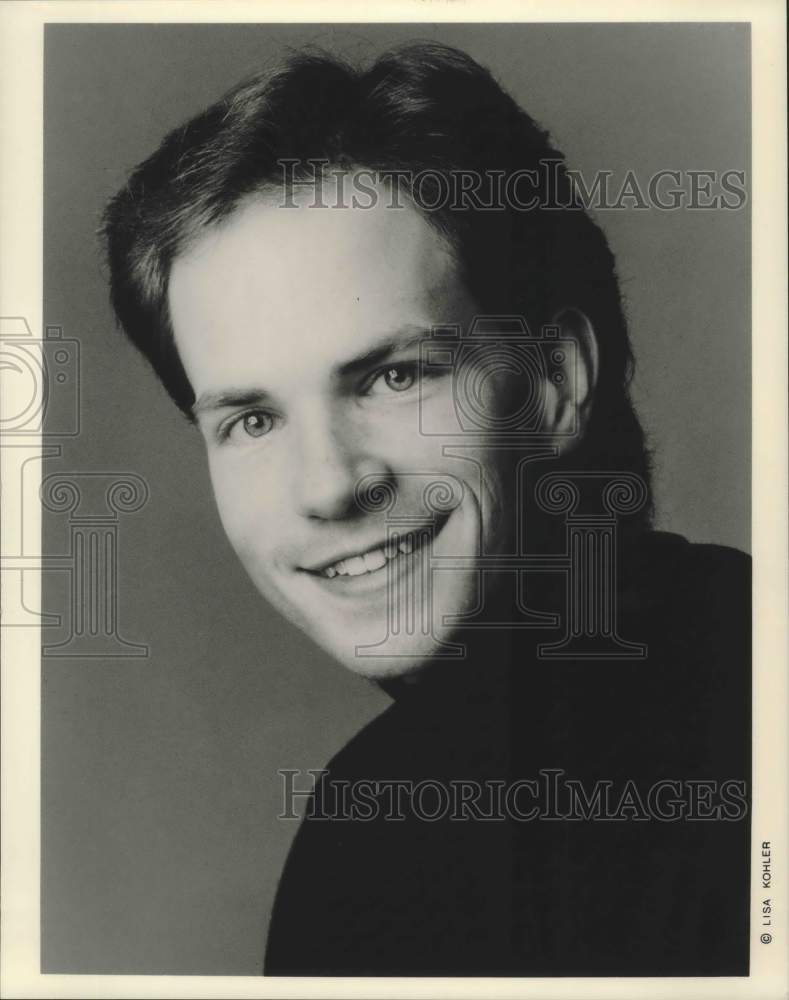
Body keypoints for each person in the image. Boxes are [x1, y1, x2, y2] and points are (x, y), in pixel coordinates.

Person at [101, 42, 750, 976]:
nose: (329, 485)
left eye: (393, 376)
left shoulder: (390, 830)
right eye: (251, 419)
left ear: (554, 382)